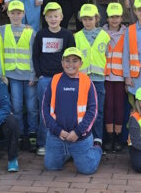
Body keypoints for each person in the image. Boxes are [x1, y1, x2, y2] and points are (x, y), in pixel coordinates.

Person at [42, 47, 102, 175]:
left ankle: (97, 147)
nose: (70, 64)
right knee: (51, 166)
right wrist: (57, 131)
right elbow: (45, 108)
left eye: (75, 61)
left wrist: (78, 132)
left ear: (81, 63)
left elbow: (93, 111)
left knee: (87, 170)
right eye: (67, 60)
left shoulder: (87, 82)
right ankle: (68, 152)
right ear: (62, 63)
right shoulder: (55, 80)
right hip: (57, 136)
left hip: (79, 137)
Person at [32, 2, 75, 155]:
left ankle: (64, 141)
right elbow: (35, 56)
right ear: (45, 18)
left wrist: (68, 75)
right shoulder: (41, 34)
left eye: (56, 16)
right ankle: (43, 143)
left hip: (62, 78)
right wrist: (40, 74)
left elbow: (71, 57)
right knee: (45, 112)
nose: (53, 19)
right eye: (50, 16)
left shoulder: (67, 35)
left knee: (63, 110)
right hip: (45, 79)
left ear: (62, 17)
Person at [0, 0, 38, 152]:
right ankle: (20, 133)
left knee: (32, 106)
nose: (15, 16)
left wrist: (33, 75)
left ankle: (32, 132)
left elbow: (33, 56)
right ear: (7, 14)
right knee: (17, 106)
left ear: (23, 14)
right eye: (12, 13)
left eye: (18, 13)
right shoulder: (1, 30)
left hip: (28, 75)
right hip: (12, 76)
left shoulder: (30, 31)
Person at [73, 4, 110, 146]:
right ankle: (84, 136)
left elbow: (108, 56)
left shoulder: (104, 36)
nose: (87, 22)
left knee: (98, 110)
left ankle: (97, 138)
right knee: (83, 110)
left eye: (90, 19)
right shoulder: (77, 36)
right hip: (82, 80)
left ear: (97, 19)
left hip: (99, 79)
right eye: (84, 19)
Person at [102, 2, 126, 152]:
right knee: (108, 107)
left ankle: (118, 136)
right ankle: (109, 136)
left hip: (120, 76)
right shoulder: (101, 33)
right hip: (105, 75)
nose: (114, 20)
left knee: (119, 107)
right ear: (107, 18)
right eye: (112, 17)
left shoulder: (127, 33)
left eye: (117, 17)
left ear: (122, 17)